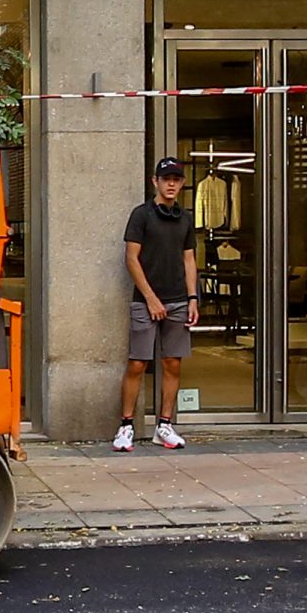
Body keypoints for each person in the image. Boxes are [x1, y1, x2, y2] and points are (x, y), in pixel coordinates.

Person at [114, 156, 198, 453]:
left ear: (182, 183)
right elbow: (130, 258)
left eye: (176, 179)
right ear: (155, 182)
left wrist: (192, 298)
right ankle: (126, 426)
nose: (171, 184)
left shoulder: (185, 219)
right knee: (138, 362)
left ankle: (165, 424)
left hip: (177, 300)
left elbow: (189, 260)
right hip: (145, 301)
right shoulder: (141, 215)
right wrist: (150, 298)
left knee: (172, 363)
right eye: (166, 179)